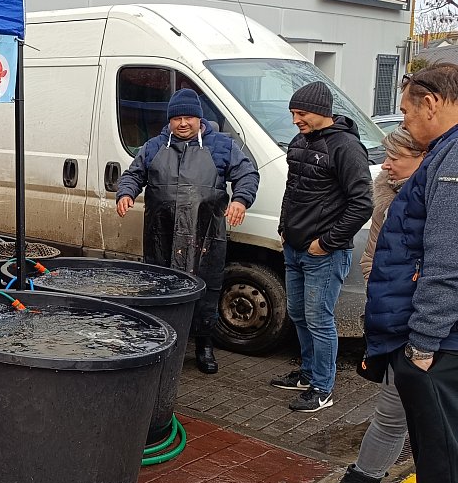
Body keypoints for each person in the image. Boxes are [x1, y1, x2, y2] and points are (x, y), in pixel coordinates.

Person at [364, 62, 458, 483]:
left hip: (440, 347)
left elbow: (446, 261)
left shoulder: (452, 162)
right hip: (440, 342)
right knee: (438, 464)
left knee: (444, 472)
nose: (403, 121)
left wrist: (422, 343)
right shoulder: (444, 154)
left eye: (405, 110)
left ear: (431, 103)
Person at [299, 127, 425, 483]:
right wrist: (379, 289)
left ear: (424, 159)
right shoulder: (387, 195)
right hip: (398, 323)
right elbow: (373, 255)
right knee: (391, 412)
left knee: (422, 421)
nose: (385, 165)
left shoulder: (438, 202)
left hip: (426, 330)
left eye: (396, 157)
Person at [116, 88, 259, 373]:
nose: (183, 123)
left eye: (188, 118)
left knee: (206, 289)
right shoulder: (154, 146)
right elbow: (133, 174)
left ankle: (204, 345)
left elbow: (248, 174)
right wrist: (126, 193)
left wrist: (241, 200)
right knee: (160, 287)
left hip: (204, 235)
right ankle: (161, 340)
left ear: (199, 119)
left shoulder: (222, 145)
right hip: (161, 235)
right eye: (176, 118)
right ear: (169, 121)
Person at [272, 81, 373, 412]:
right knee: (298, 313)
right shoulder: (299, 142)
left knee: (319, 318)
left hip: (324, 254)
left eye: (301, 113)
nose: (295, 120)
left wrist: (326, 243)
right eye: (292, 113)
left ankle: (322, 389)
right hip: (294, 246)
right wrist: (284, 227)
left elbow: (362, 203)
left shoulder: (346, 147)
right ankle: (307, 374)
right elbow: (292, 189)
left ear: (321, 111)